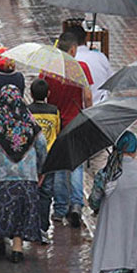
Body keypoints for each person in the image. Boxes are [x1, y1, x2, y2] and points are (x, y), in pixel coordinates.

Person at [0, 84, 47, 263]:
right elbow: (41, 144)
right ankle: (17, 247)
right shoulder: (30, 119)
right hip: (26, 176)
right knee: (22, 210)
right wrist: (41, 170)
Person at [88, 131, 137, 273]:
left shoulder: (106, 173)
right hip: (134, 237)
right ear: (134, 150)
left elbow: (93, 202)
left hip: (110, 239)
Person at [44, 32, 93, 227]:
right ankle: (76, 205)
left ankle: (59, 208)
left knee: (58, 165)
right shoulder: (80, 68)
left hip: (56, 122)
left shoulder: (49, 69)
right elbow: (88, 97)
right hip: (76, 121)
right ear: (73, 49)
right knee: (76, 164)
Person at [27, 78, 61, 244]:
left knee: (32, 190)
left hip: (31, 157)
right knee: (46, 193)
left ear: (30, 94)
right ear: (48, 94)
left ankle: (31, 224)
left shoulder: (27, 111)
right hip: (50, 157)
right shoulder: (54, 111)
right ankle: (43, 227)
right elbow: (57, 130)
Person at [69, 25, 113, 104]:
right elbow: (111, 82)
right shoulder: (101, 57)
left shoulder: (70, 61)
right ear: (85, 38)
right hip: (102, 103)